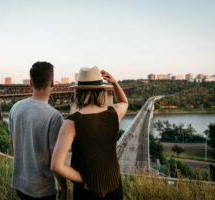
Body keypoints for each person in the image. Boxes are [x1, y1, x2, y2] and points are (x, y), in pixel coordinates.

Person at [51, 66, 128, 200]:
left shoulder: (71, 123)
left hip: (86, 193)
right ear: (101, 92)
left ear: (78, 92)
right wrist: (115, 83)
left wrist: (84, 180)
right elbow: (124, 102)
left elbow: (56, 166)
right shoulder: (114, 113)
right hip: (114, 188)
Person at [9, 61, 67, 200]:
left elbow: (11, 142)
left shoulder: (15, 108)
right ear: (52, 83)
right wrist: (64, 187)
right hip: (43, 190)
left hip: (20, 184)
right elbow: (56, 162)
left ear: (31, 82)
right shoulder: (54, 116)